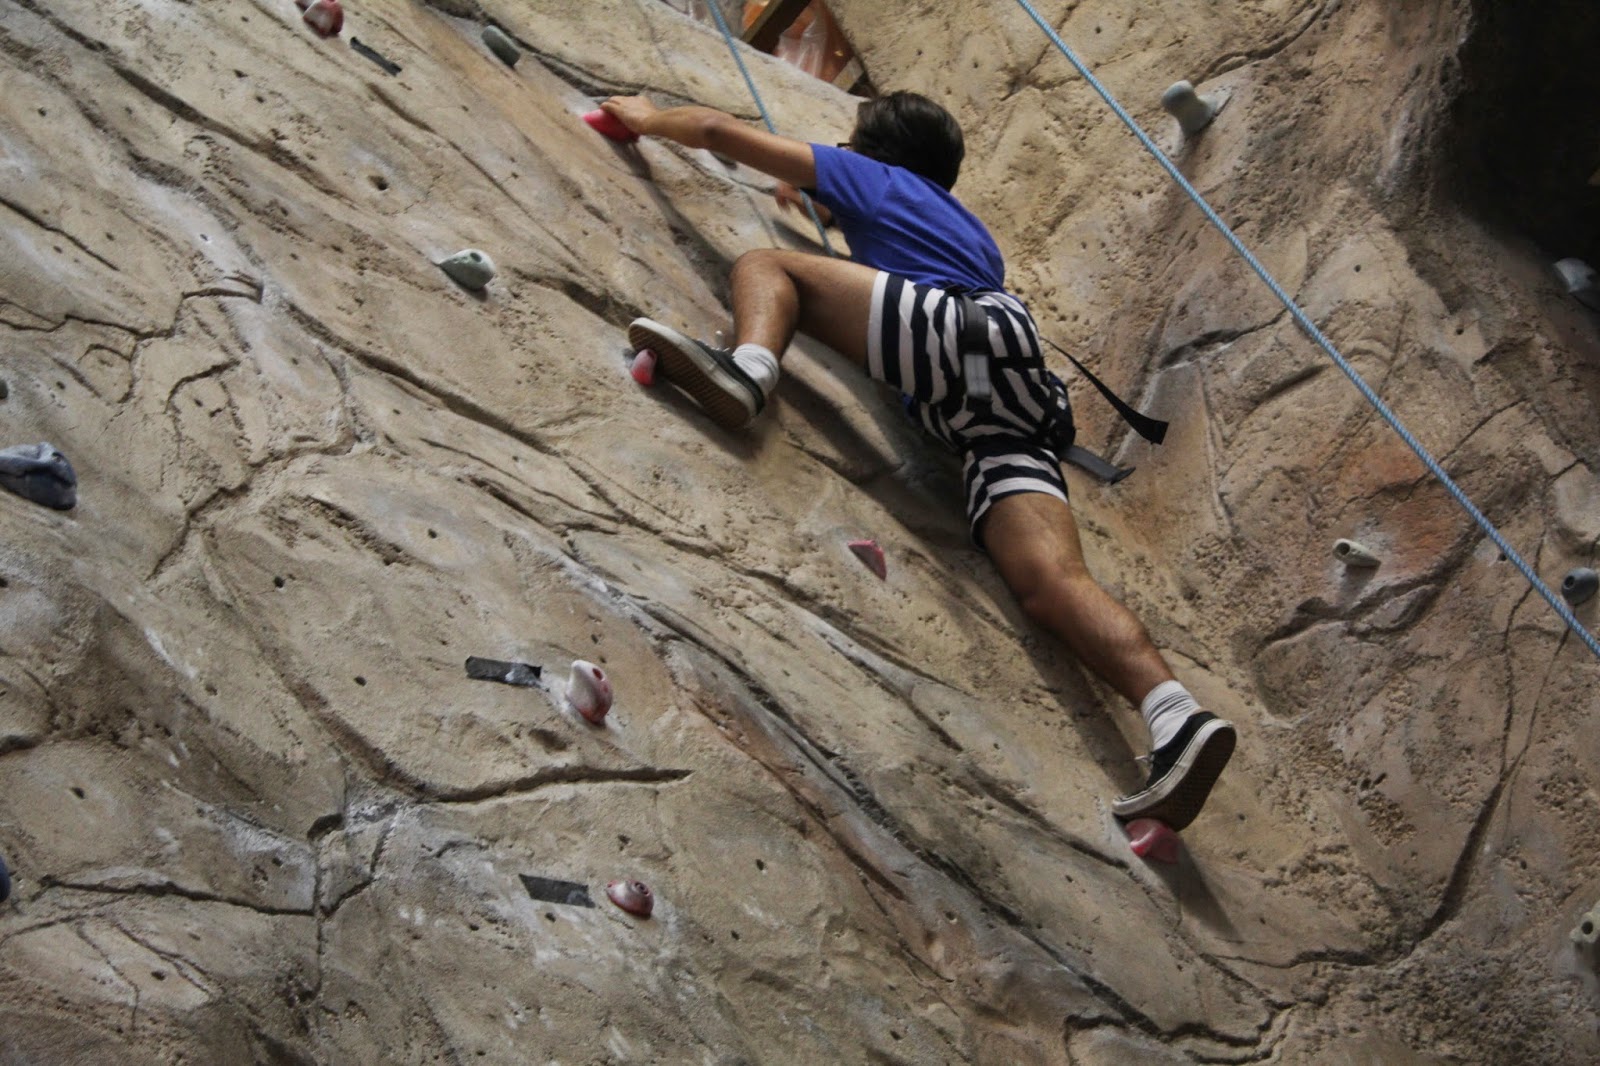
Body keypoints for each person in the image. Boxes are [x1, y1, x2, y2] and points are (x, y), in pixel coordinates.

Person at [600, 90, 1235, 830]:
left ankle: (747, 373)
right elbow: (899, 251)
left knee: (770, 267)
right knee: (1051, 584)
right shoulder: (965, 228)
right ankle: (1175, 716)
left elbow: (716, 130)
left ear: (870, 151)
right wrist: (824, 201)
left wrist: (644, 118)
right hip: (1007, 393)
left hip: (954, 339)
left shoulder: (877, 177)